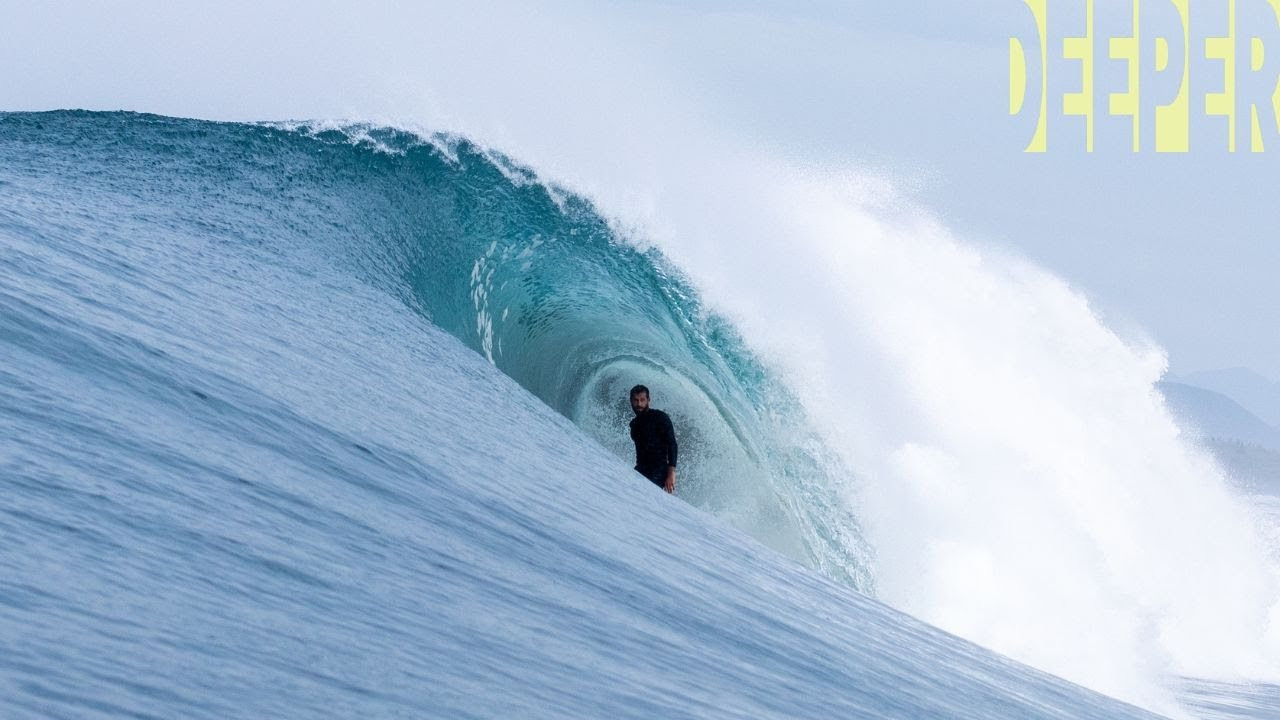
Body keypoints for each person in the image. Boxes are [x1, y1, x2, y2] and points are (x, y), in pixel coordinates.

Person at [628, 384, 678, 493]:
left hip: (659, 472)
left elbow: (672, 444)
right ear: (631, 401)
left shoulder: (660, 417)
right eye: (636, 400)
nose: (639, 404)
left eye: (642, 400)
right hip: (640, 469)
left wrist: (671, 473)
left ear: (648, 400)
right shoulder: (634, 425)